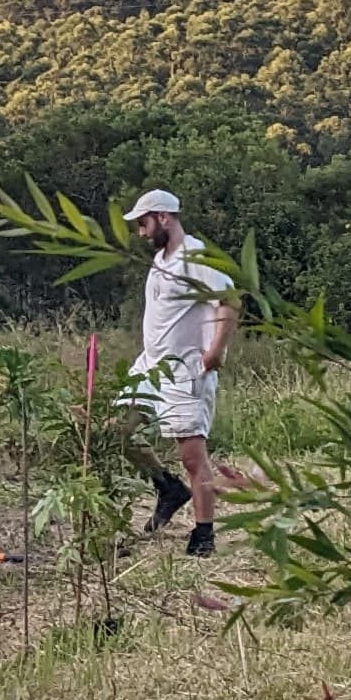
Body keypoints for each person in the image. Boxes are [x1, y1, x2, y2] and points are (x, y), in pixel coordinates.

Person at [121, 187, 233, 555]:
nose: (141, 231)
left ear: (163, 218)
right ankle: (167, 488)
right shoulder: (160, 261)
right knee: (117, 433)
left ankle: (204, 535)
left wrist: (216, 351)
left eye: (143, 223)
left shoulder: (195, 255)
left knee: (191, 456)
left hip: (185, 370)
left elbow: (229, 299)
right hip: (149, 366)